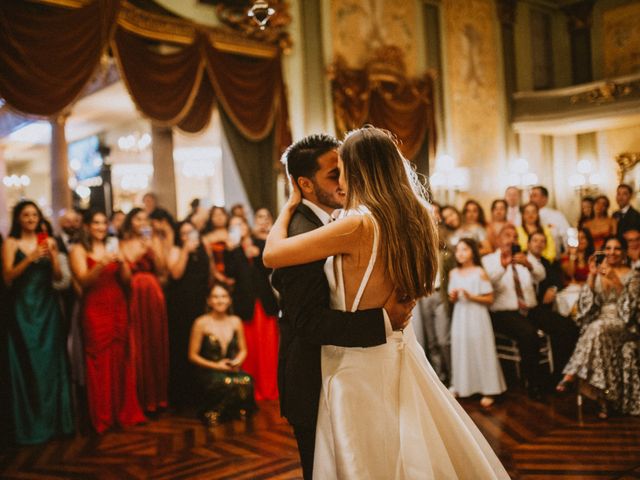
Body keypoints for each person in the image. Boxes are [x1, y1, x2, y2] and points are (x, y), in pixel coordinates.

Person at [265, 128, 508, 479]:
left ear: (356, 169)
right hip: (400, 350)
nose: (340, 178)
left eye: (342, 168)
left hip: (355, 365)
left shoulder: (356, 225)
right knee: (410, 448)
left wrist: (287, 208)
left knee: (369, 459)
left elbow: (272, 254)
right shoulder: (415, 216)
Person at [269, 133, 413, 479]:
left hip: (354, 376)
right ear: (304, 183)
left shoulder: (346, 221)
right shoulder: (299, 231)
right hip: (314, 380)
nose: (344, 181)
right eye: (334, 174)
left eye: (344, 170)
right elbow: (306, 321)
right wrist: (381, 321)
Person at [2, 200, 74, 444]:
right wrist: (30, 257)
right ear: (19, 219)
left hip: (48, 308)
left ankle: (56, 423)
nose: (31, 218)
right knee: (30, 364)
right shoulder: (11, 243)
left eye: (35, 215)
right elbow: (8, 277)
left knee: (51, 365)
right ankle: (31, 424)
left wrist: (53, 257)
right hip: (24, 309)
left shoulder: (49, 241)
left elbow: (58, 278)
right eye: (26, 215)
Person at [69, 210, 146, 433]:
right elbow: (83, 281)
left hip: (117, 306)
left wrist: (122, 264)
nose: (101, 227)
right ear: (87, 226)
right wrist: (101, 264)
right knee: (98, 364)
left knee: (120, 359)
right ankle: (102, 417)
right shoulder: (79, 249)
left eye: (104, 223)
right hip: (95, 309)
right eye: (96, 223)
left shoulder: (115, 246)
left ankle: (123, 412)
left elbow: (126, 280)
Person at [557, 236, 640, 418]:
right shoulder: (598, 274)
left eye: (617, 248)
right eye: (608, 248)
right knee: (597, 332)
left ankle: (571, 374)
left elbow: (631, 309)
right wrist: (592, 275)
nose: (612, 252)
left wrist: (615, 281)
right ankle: (605, 403)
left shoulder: (633, 275)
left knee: (595, 329)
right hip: (601, 323)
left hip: (623, 323)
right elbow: (585, 306)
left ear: (624, 252)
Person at [482, 223, 547, 399]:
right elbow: (487, 284)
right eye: (507, 235)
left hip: (531, 309)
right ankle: (534, 384)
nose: (512, 239)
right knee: (529, 334)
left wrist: (529, 265)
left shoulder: (525, 257)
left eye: (515, 236)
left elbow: (541, 275)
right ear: (498, 240)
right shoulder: (489, 260)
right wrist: (502, 267)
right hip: (504, 313)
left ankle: (556, 378)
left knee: (564, 326)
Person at [225, 215, 280, 401]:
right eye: (232, 226)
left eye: (239, 224)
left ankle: (270, 388)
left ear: (246, 226)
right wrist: (231, 251)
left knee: (268, 347)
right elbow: (230, 275)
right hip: (244, 305)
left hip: (264, 302)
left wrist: (257, 256)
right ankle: (251, 389)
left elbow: (270, 270)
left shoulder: (260, 243)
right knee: (248, 348)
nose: (237, 229)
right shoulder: (231, 251)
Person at [120, 208, 170, 413]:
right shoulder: (123, 244)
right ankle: (142, 399)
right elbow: (124, 275)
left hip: (153, 293)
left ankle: (160, 398)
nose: (142, 222)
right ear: (130, 222)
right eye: (137, 219)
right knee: (138, 345)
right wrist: (139, 251)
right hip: (134, 294)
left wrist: (152, 249)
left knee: (156, 342)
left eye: (144, 219)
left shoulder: (154, 241)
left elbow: (162, 269)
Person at [188, 283, 258, 425]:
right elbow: (192, 355)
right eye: (215, 296)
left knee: (246, 381)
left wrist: (237, 361)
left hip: (230, 368)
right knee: (223, 383)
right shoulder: (201, 323)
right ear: (209, 300)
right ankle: (214, 414)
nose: (220, 300)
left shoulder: (235, 321)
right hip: (209, 370)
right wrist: (217, 366)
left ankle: (237, 413)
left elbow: (243, 349)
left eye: (224, 296)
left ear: (230, 299)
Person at [448, 238, 506, 408]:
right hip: (460, 316)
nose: (460, 253)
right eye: (458, 250)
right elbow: (452, 299)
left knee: (481, 348)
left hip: (477, 316)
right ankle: (462, 386)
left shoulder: (480, 271)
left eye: (464, 249)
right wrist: (453, 297)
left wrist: (471, 296)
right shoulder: (453, 273)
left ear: (473, 252)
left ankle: (489, 389)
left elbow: (489, 298)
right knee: (462, 348)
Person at [166, 220, 211, 409]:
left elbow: (211, 274)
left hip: (200, 303)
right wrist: (185, 249)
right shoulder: (176, 250)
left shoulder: (204, 249)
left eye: (190, 232)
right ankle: (182, 399)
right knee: (183, 347)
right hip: (181, 306)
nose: (187, 236)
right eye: (183, 233)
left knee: (202, 347)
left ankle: (202, 395)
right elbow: (175, 274)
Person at [526, 231, 579, 385]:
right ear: (528, 244)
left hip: (545, 308)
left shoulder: (546, 262)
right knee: (564, 328)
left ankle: (565, 372)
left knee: (570, 326)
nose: (539, 244)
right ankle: (558, 375)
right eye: (535, 240)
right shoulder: (523, 261)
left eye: (542, 241)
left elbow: (557, 280)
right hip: (532, 308)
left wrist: (553, 288)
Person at [529, 185, 570, 254]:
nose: (531, 198)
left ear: (544, 198)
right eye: (530, 196)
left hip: (553, 257)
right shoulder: (525, 216)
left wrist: (567, 253)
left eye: (534, 195)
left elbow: (566, 236)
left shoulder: (556, 215)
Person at [202, 206, 232, 286]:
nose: (219, 217)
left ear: (226, 216)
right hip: (216, 276)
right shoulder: (206, 238)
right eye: (215, 215)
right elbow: (209, 260)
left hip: (236, 275)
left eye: (221, 214)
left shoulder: (234, 235)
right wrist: (217, 275)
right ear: (211, 218)